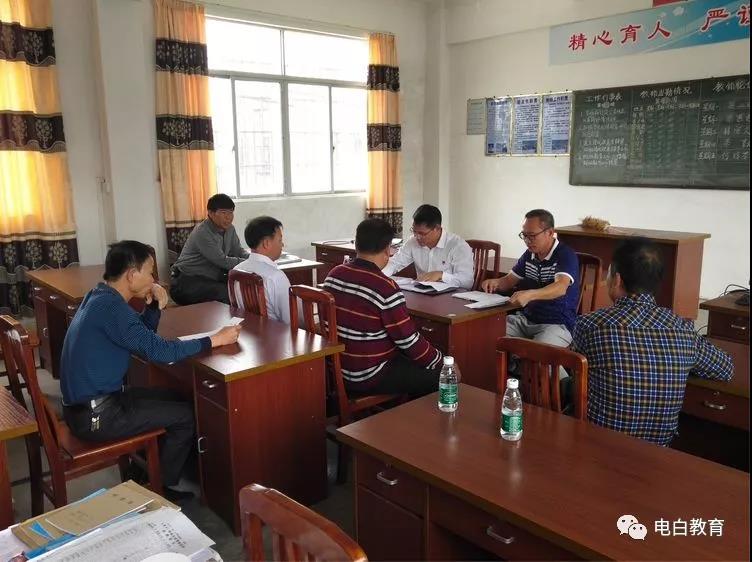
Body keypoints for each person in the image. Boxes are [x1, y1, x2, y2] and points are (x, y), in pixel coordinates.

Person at [60, 241, 241, 501]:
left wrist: (154, 307)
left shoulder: (100, 297)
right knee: (185, 415)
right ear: (132, 275)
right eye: (150, 272)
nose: (154, 279)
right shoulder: (112, 309)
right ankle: (160, 487)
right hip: (96, 416)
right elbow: (159, 351)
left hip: (91, 405)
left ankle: (145, 472)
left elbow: (139, 336)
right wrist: (215, 339)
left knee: (174, 397)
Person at [572, 237, 733, 446]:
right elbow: (725, 368)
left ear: (617, 280)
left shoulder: (590, 325)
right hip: (658, 452)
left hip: (599, 446)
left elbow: (575, 370)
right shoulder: (683, 329)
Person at [323, 218, 443, 397]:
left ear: (356, 244)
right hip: (368, 374)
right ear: (388, 249)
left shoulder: (334, 274)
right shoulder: (385, 287)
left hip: (336, 369)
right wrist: (442, 363)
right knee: (442, 377)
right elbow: (408, 341)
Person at [481, 209, 579, 348]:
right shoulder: (529, 254)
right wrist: (495, 282)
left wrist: (530, 294)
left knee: (537, 353)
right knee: (487, 335)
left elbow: (560, 288)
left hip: (556, 323)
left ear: (550, 232)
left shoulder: (565, 254)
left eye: (532, 236)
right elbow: (509, 280)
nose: (527, 241)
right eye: (524, 235)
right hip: (526, 319)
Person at [170, 194, 248, 305]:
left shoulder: (230, 229)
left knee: (242, 287)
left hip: (210, 278)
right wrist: (250, 262)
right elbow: (223, 261)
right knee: (228, 292)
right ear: (211, 213)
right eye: (223, 213)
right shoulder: (202, 232)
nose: (228, 217)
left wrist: (256, 258)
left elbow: (238, 251)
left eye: (231, 212)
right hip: (186, 281)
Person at [381, 204, 474, 288]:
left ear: (437, 228)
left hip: (450, 297)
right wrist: (379, 276)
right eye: (414, 231)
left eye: (422, 233)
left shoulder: (458, 246)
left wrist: (441, 275)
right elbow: (395, 263)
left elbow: (467, 282)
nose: (417, 237)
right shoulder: (413, 242)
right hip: (422, 293)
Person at [233, 216, 292, 324]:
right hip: (275, 333)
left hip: (246, 331)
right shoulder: (275, 277)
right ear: (266, 243)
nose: (282, 244)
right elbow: (290, 320)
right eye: (280, 240)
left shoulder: (236, 271)